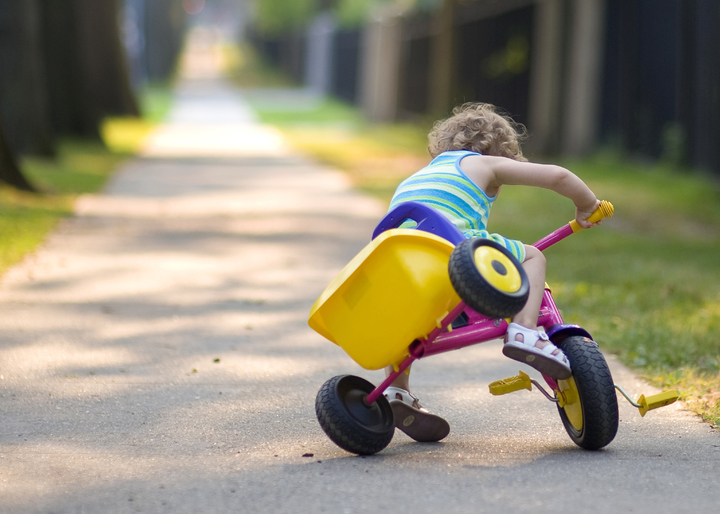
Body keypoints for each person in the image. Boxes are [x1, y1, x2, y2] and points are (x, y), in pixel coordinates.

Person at [382, 102, 601, 443]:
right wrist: (587, 205)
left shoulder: (416, 177)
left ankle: (396, 391)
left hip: (402, 266)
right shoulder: (482, 163)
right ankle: (525, 330)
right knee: (532, 257)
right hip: (454, 252)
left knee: (403, 329)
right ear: (500, 153)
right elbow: (558, 176)